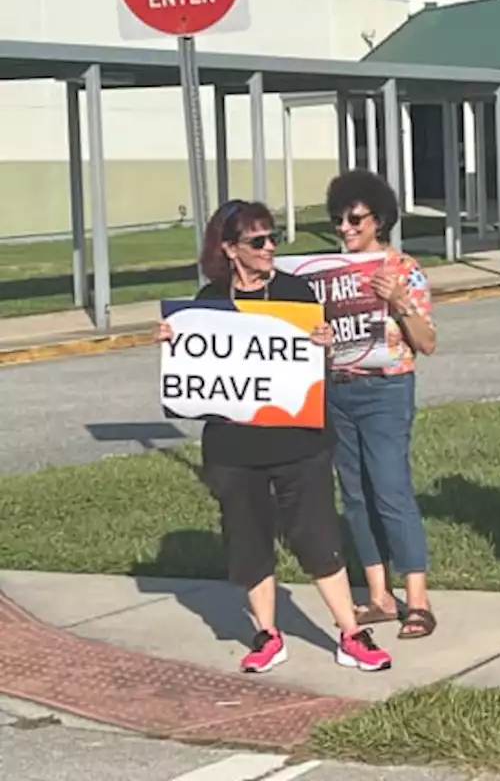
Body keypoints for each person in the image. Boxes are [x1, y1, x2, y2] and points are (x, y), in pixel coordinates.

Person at [157, 199, 392, 674]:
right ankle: (267, 634)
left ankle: (350, 632)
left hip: (298, 442)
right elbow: (198, 369)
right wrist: (174, 339)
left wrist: (324, 347)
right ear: (230, 249)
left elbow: (311, 369)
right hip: (233, 446)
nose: (269, 249)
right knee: (248, 537)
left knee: (316, 535)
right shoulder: (208, 301)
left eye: (272, 239)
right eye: (257, 241)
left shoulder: (296, 293)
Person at [325, 169, 438, 640]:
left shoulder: (403, 269)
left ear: (379, 219)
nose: (346, 228)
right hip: (338, 388)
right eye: (339, 220)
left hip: (387, 389)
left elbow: (428, 343)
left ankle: (418, 599)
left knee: (391, 489)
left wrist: (400, 303)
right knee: (354, 495)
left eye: (355, 218)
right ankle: (378, 594)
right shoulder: (328, 273)